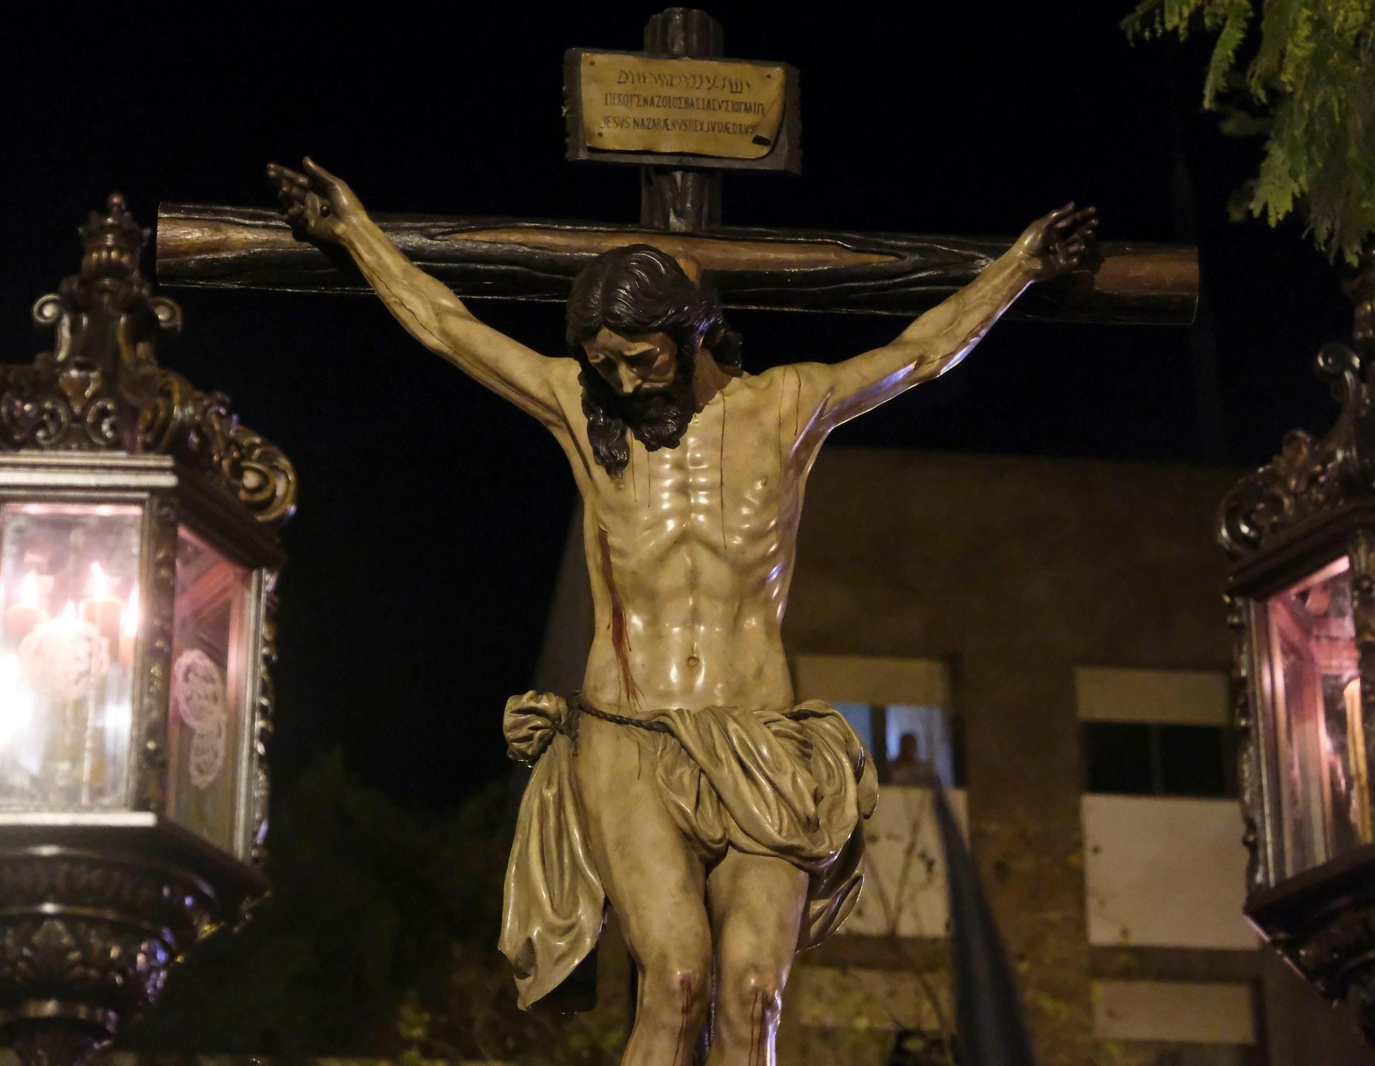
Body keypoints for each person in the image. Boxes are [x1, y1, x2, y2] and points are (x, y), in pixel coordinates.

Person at [269, 158, 1096, 1066]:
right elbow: (446, 326)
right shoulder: (580, 414)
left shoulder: (787, 407)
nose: (621, 379)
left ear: (690, 329)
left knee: (753, 993)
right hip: (633, 735)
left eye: (640, 357)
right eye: (605, 363)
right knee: (677, 979)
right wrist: (353, 231)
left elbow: (922, 351)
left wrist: (1020, 266)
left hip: (762, 746)